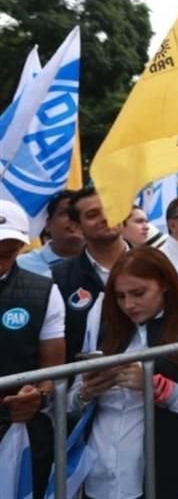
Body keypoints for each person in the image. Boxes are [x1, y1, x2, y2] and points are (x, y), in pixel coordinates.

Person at [69, 247, 178, 499]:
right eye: (120, 296)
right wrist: (86, 391)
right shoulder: (105, 327)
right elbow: (70, 399)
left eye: (138, 293)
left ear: (165, 285)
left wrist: (154, 385)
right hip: (100, 473)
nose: (129, 304)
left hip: (170, 474)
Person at [0, 200, 66, 497]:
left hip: (19, 430)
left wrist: (38, 396)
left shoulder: (44, 292)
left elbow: (51, 371)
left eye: (7, 252)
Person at [52, 187, 129, 361]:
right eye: (92, 215)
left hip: (147, 378)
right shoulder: (59, 278)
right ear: (76, 227)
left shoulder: (154, 265)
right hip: (87, 382)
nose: (105, 218)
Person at [17, 189, 84, 277]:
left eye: (79, 214)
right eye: (65, 213)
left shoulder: (104, 266)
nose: (74, 220)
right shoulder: (19, 266)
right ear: (48, 224)